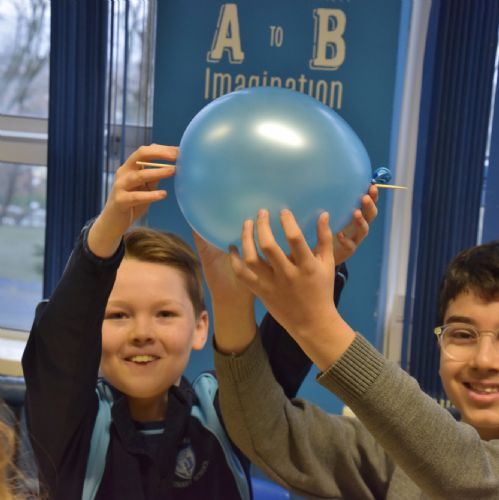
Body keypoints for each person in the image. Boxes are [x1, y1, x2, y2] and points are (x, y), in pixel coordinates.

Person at [22, 144, 377, 500]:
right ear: (91, 332)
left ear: (200, 327)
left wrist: (324, 258)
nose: (142, 333)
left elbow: (280, 355)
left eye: (165, 314)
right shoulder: (71, 427)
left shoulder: (224, 415)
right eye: (118, 315)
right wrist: (105, 233)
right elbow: (59, 349)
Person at [202, 209, 499, 499]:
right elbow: (268, 434)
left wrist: (317, 323)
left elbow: (467, 481)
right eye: (463, 334)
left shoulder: (441, 458)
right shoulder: (398, 455)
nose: (483, 361)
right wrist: (230, 299)